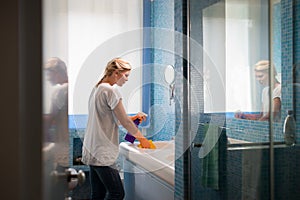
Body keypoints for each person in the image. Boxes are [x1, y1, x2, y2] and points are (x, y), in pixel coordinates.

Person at [81, 57, 151, 200]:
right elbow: (124, 122)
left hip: (91, 149)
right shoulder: (111, 90)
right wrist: (142, 139)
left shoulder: (97, 88)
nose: (126, 80)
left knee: (98, 195)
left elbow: (109, 118)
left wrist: (132, 118)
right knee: (117, 193)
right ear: (116, 73)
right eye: (126, 75)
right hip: (102, 152)